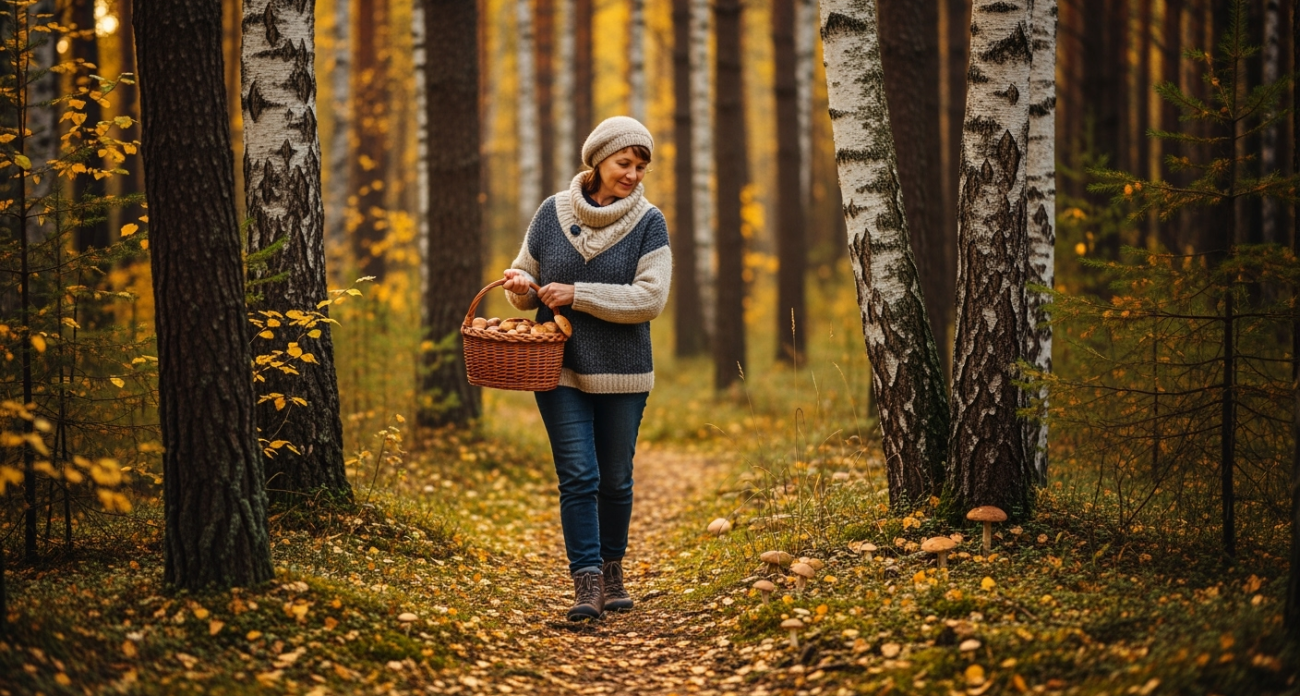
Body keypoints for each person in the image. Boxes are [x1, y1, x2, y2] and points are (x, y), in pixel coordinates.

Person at [502, 116, 671, 621]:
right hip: (557, 368)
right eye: (625, 162)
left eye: (641, 166)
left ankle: (613, 567)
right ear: (597, 160)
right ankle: (587, 582)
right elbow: (524, 280)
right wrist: (517, 286)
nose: (634, 174)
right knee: (578, 475)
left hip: (624, 371)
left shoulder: (649, 222)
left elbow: (651, 298)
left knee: (616, 478)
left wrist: (579, 295)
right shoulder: (551, 213)